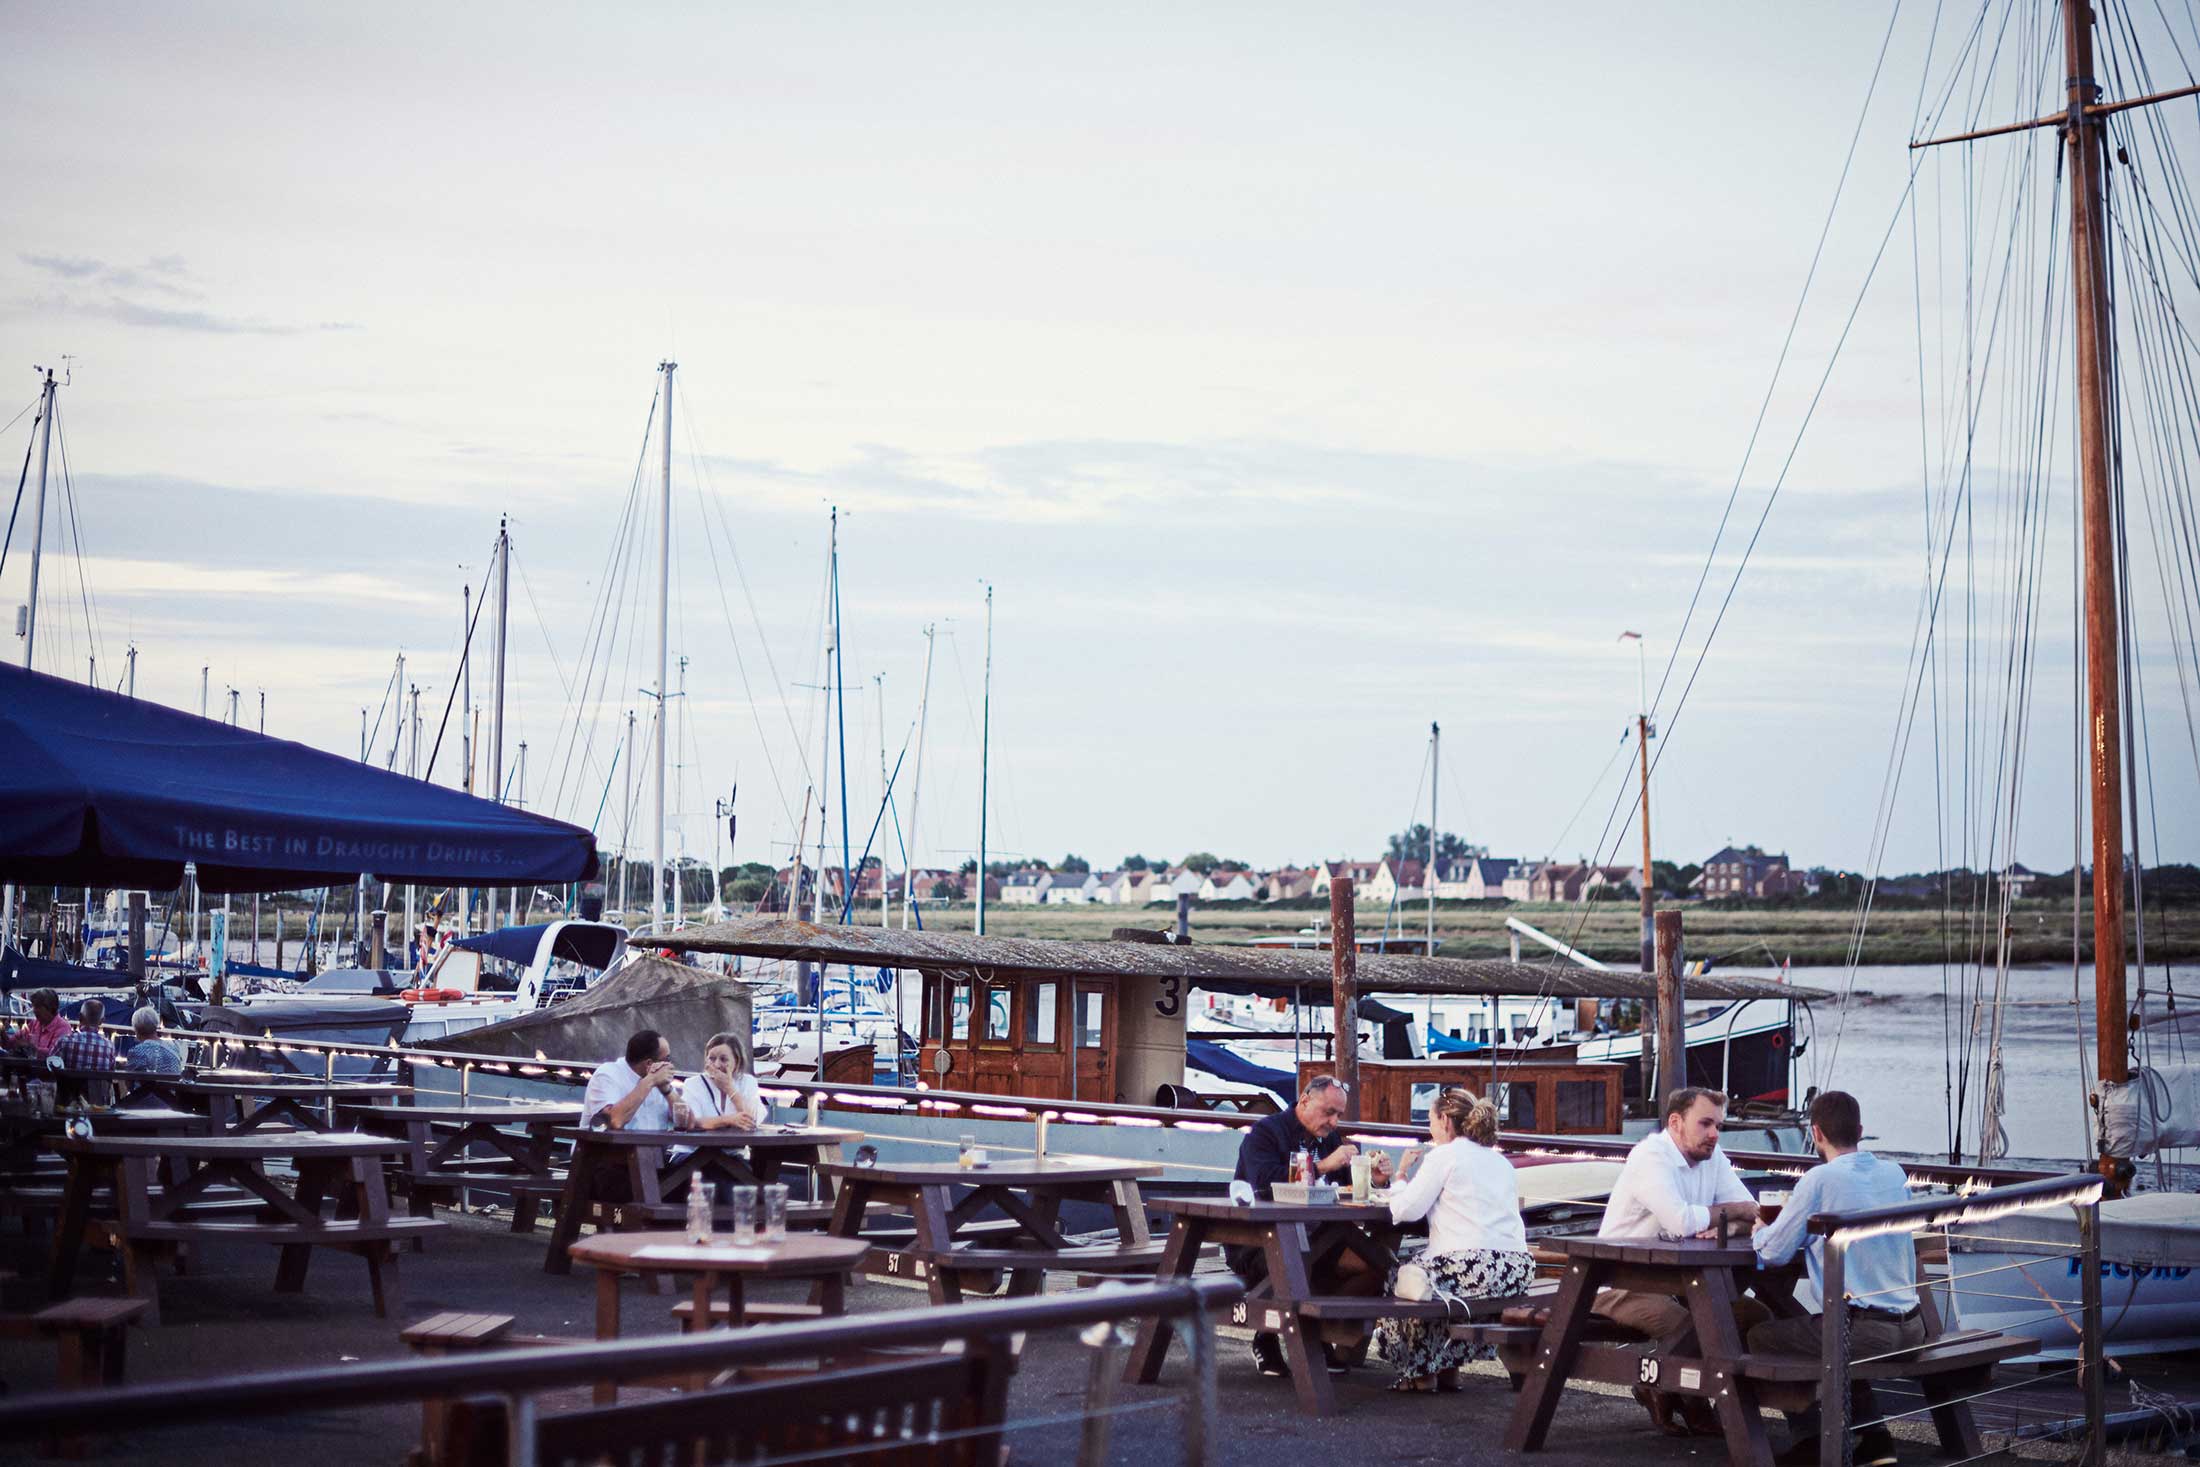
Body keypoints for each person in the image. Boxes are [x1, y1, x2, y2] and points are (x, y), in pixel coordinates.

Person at [1748, 1091, 1917, 1467]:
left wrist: (1760, 1228)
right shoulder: (1895, 1173)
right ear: (1860, 1130)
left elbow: (1772, 1253)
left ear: (1816, 1133)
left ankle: (1810, 1439)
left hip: (1866, 1332)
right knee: (1829, 1330)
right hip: (1911, 1325)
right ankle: (1875, 1440)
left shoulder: (1819, 1180)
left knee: (1761, 1336)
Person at [1593, 1086, 1767, 1436]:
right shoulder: (1650, 1158)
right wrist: (1733, 1214)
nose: (1715, 1134)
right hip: (1625, 1281)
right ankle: (1686, 1397)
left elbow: (1754, 1214)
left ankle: (1663, 1387)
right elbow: (1683, 1221)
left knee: (1757, 1317)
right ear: (1675, 1122)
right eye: (1705, 1123)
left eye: (1719, 1125)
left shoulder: (1711, 1156)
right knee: (1694, 1325)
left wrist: (1728, 1222)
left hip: (1685, 1283)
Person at [1229, 1075, 1392, 1378]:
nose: (1334, 1121)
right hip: (1261, 1241)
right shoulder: (1265, 1133)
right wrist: (1324, 1165)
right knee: (1295, 1264)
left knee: (1378, 1265)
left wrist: (1374, 1180)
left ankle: (1317, 1333)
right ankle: (1267, 1338)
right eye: (1328, 1112)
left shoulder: (1327, 1137)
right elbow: (1265, 1182)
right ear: (1304, 1101)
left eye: (1339, 1115)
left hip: (1320, 1238)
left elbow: (1345, 1188)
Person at [1375, 1086, 1533, 1393]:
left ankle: (1418, 1371)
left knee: (1402, 1278)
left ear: (1446, 1120)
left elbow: (1405, 1210)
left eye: (1431, 1120)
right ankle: (1447, 1368)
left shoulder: (1444, 1156)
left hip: (1476, 1268)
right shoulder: (1499, 1160)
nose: (1430, 1128)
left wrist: (1400, 1177)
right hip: (1515, 1270)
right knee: (1432, 1276)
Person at [669, 1031, 765, 1162]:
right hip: (691, 1154)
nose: (717, 1064)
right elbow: (692, 1122)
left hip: (732, 1156)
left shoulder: (747, 1082)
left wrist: (730, 1089)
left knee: (743, 1174)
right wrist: (728, 1120)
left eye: (723, 1059)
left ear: (737, 1061)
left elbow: (752, 1120)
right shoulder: (693, 1084)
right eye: (712, 1058)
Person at [53, 998, 117, 1073]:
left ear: (80, 1017)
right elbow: (111, 1072)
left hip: (68, 1084)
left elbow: (50, 1064)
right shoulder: (109, 1046)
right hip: (97, 1084)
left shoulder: (64, 1041)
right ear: (101, 1021)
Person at [7, 989, 71, 1059]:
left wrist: (29, 1047)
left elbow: (54, 1053)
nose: (34, 1010)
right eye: (33, 1006)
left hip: (46, 1069)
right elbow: (12, 1042)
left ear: (50, 1008)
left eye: (37, 1007)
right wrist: (3, 1035)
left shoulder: (63, 1027)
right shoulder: (34, 1024)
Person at [122, 1006, 183, 1075]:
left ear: (136, 1030)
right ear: (156, 1026)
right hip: (172, 1085)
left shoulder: (136, 1052)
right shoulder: (173, 1047)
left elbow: (129, 1081)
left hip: (152, 1086)